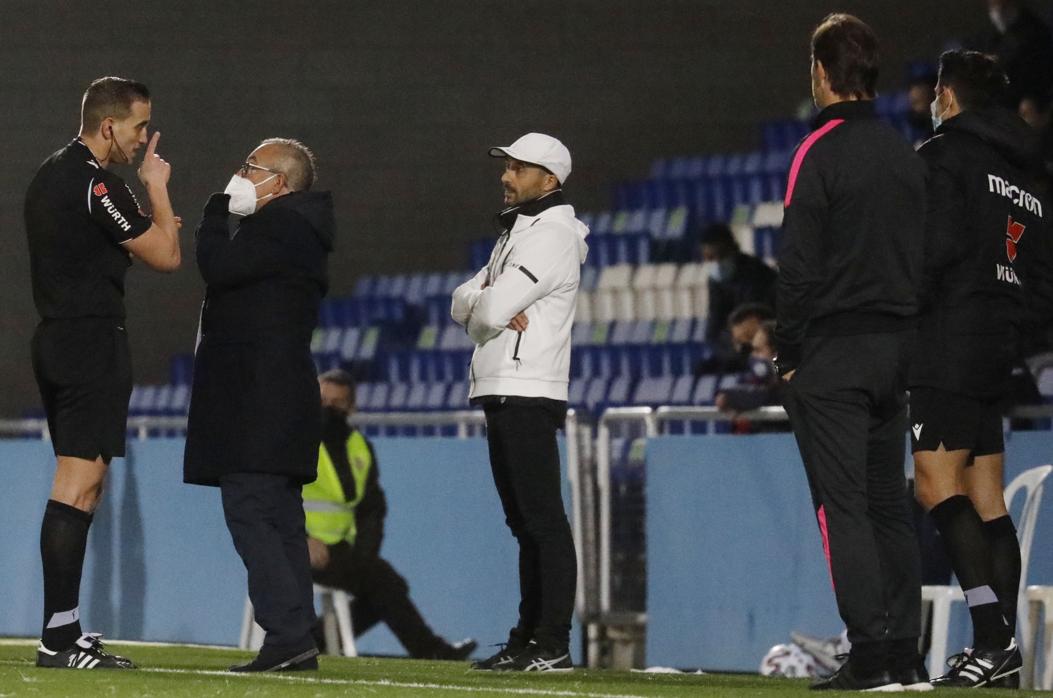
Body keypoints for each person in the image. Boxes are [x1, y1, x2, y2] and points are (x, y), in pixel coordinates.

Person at [773, 14, 928, 691]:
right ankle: (903, 652)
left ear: (821, 73)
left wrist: (788, 352)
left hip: (834, 350)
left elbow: (798, 264)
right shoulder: (904, 152)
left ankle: (867, 652)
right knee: (887, 505)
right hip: (896, 347)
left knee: (844, 508)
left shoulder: (819, 150)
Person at [25, 76, 180, 670]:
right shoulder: (94, 183)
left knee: (83, 484)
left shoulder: (51, 172)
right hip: (89, 341)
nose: (145, 139)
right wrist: (157, 190)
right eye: (140, 126)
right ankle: (58, 640)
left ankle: (64, 629)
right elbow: (167, 254)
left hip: (61, 339)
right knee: (78, 485)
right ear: (109, 125)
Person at [911, 49, 1053, 688]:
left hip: (948, 340)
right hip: (1001, 345)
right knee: (986, 496)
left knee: (935, 485)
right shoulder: (1030, 176)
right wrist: (1012, 327)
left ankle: (992, 640)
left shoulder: (945, 156)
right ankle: (1002, 649)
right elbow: (1043, 278)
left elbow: (931, 252)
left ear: (948, 94)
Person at [183, 138, 334, 673]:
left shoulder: (283, 225)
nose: (239, 174)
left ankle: (287, 634)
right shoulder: (299, 229)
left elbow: (218, 266)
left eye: (251, 167)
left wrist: (211, 213)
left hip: (258, 395)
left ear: (281, 182)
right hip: (278, 392)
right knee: (280, 517)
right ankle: (297, 636)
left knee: (251, 510)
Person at [451, 132, 588, 672]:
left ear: (549, 180)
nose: (506, 177)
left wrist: (483, 304)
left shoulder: (550, 235)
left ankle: (550, 641)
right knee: (526, 523)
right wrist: (482, 303)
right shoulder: (525, 230)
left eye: (519, 168)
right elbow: (466, 300)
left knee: (542, 522)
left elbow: (485, 309)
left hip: (527, 387)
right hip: (507, 385)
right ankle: (529, 637)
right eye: (507, 166)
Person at [306, 369, 478, 660]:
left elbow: (372, 510)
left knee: (385, 585)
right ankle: (432, 651)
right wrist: (302, 540)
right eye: (322, 400)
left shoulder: (360, 448)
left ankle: (315, 639)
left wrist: (364, 557)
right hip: (295, 548)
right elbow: (276, 499)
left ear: (351, 408)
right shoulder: (295, 443)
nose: (327, 409)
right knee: (386, 585)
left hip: (341, 551)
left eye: (336, 403)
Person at [700, 223, 777, 344]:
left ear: (733, 248)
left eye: (721, 255)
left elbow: (755, 320)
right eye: (709, 257)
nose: (716, 262)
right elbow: (713, 330)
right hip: (737, 346)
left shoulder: (758, 274)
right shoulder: (715, 282)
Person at [968, 0, 1053, 110]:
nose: (998, 9)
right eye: (993, 5)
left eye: (1003, 4)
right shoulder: (986, 37)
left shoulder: (1036, 34)